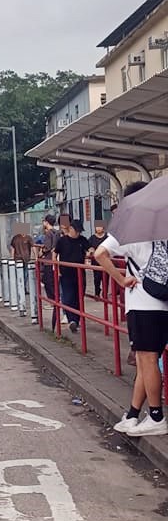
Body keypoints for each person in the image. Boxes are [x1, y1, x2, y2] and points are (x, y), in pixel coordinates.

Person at [96, 184, 168, 437]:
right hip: (163, 302)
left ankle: (157, 416)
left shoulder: (131, 229)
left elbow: (100, 253)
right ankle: (133, 414)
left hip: (142, 303)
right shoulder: (164, 226)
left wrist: (119, 278)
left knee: (147, 359)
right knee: (145, 361)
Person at [54, 219, 88, 332]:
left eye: (79, 231)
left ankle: (76, 321)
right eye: (76, 231)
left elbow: (90, 248)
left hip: (80, 274)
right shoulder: (62, 241)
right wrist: (56, 268)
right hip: (66, 274)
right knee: (68, 298)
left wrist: (91, 251)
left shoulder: (82, 240)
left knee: (79, 297)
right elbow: (55, 253)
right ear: (71, 229)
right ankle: (71, 319)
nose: (78, 233)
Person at [86, 220, 107, 298]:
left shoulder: (107, 237)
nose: (98, 228)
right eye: (97, 227)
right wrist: (90, 251)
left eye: (100, 227)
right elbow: (87, 247)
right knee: (97, 278)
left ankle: (105, 294)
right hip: (96, 262)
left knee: (105, 278)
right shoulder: (92, 238)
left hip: (106, 261)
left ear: (103, 227)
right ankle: (97, 293)